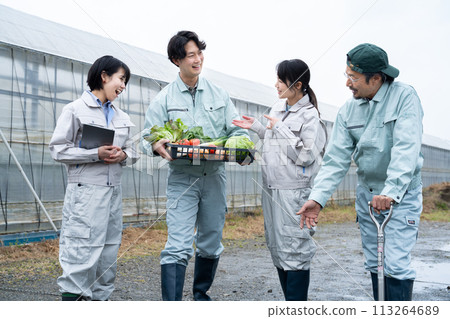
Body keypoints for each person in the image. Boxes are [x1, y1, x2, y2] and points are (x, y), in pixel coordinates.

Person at [297, 43, 424, 301]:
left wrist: (390, 192)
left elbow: (406, 148)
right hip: (369, 198)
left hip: (401, 195)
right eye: (347, 76)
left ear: (376, 78)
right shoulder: (348, 111)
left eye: (353, 78)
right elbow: (335, 160)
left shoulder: (404, 97)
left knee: (396, 264)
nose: (348, 83)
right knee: (375, 264)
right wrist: (318, 198)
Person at [141, 31, 249, 301]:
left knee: (211, 242)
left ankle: (200, 296)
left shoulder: (218, 94)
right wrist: (156, 144)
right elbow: (147, 136)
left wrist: (239, 145)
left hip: (214, 176)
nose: (198, 59)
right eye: (191, 55)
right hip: (182, 178)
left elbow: (236, 130)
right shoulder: (163, 99)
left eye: (200, 53)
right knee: (177, 245)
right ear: (177, 60)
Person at [232, 59, 327, 300]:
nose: (276, 84)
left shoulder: (310, 116)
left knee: (295, 249)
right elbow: (277, 143)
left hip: (294, 192)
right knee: (277, 248)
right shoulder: (278, 109)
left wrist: (280, 129)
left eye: (280, 80)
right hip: (272, 188)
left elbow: (306, 155)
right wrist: (258, 128)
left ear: (297, 85)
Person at [49, 55, 139, 301]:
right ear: (104, 76)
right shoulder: (75, 109)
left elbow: (134, 151)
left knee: (108, 252)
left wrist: (124, 155)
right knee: (81, 248)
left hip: (114, 191)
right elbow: (58, 149)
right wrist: (94, 154)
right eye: (121, 79)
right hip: (86, 191)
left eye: (125, 81)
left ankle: (101, 299)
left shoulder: (121, 117)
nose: (123, 86)